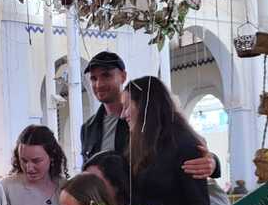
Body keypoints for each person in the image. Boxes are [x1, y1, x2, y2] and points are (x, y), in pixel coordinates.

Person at [81, 52, 218, 180]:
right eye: (94, 78)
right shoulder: (88, 128)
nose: (99, 84)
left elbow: (186, 144)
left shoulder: (145, 118)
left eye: (106, 75)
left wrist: (213, 162)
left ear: (123, 76)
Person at [121, 76, 211, 205]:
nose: (123, 114)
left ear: (145, 106)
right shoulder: (144, 145)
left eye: (127, 106)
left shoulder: (184, 144)